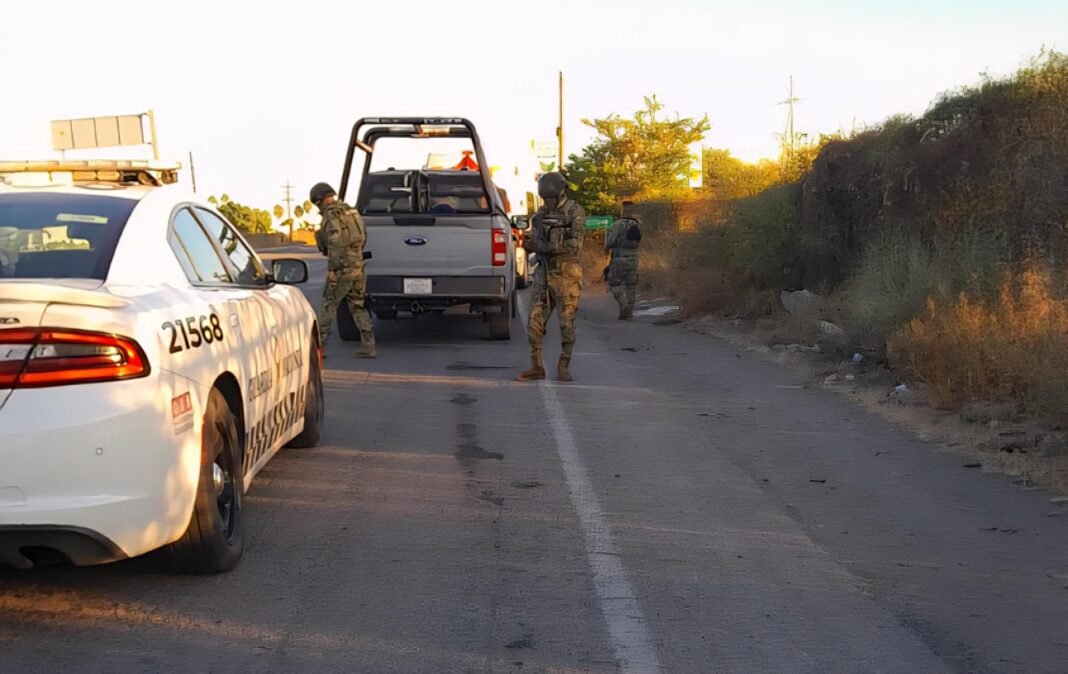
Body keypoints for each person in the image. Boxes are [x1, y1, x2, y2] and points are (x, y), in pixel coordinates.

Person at [517, 172, 586, 382]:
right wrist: (529, 244)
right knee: (534, 323)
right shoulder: (540, 215)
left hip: (566, 273)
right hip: (543, 272)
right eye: (545, 197)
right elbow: (535, 239)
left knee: (567, 324)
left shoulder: (574, 211)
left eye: (551, 197)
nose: (548, 201)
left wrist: (547, 246)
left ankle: (564, 365)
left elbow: (576, 243)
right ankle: (537, 366)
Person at [311, 182, 376, 358]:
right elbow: (363, 236)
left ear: (320, 200)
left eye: (317, 204)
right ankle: (368, 344)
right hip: (357, 265)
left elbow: (335, 243)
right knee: (358, 306)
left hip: (342, 268)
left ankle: (317, 349)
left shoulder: (332, 215)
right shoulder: (352, 212)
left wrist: (332, 269)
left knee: (328, 306)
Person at [604, 200, 643, 319]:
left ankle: (623, 302)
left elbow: (611, 241)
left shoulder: (618, 224)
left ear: (622, 209)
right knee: (631, 286)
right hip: (634, 258)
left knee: (614, 283)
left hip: (619, 258)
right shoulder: (639, 224)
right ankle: (628, 313)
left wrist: (606, 249)